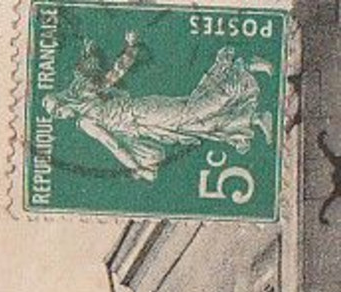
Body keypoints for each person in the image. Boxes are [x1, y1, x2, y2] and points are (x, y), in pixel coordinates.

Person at [43, 32, 275, 182]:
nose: (60, 116)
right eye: (56, 115)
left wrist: (136, 168)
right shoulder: (83, 113)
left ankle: (242, 67)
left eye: (57, 111)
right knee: (195, 126)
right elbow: (115, 141)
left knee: (194, 112)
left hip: (143, 111)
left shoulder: (85, 111)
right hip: (146, 124)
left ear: (64, 100)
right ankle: (254, 118)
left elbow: (113, 143)